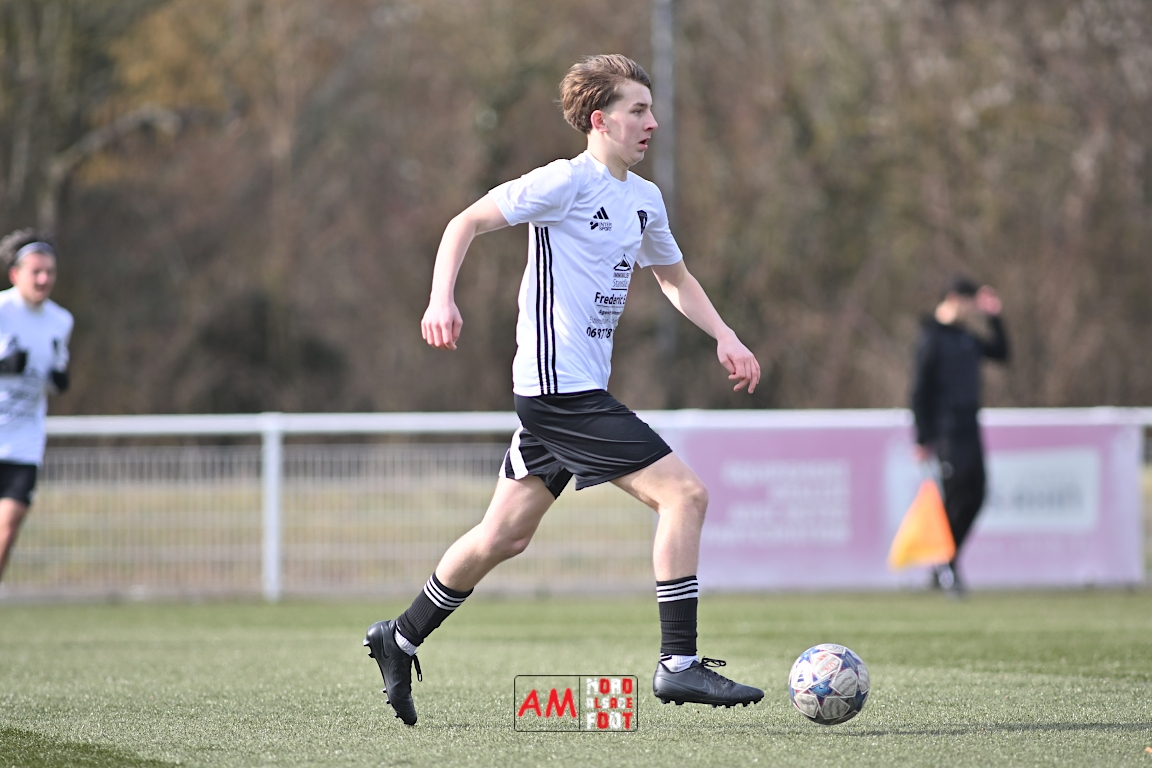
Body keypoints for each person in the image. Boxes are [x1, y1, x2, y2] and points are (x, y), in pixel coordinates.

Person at [364, 54, 764, 726]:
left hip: (568, 390)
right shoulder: (563, 181)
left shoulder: (644, 199)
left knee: (503, 536)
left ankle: (398, 638)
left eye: (651, 109)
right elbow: (464, 222)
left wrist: (725, 335)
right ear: (600, 120)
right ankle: (678, 663)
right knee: (685, 495)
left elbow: (673, 278)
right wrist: (441, 299)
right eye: (638, 110)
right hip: (559, 392)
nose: (652, 122)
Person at [910, 276, 1008, 596]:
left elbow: (1001, 353)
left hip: (970, 427)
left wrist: (995, 317)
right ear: (953, 299)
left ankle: (945, 562)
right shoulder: (932, 337)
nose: (972, 309)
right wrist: (922, 437)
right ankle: (946, 566)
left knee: (977, 493)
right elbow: (919, 390)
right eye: (969, 302)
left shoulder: (967, 338)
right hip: (946, 431)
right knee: (955, 496)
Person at [0, 230, 73, 584]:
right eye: (36, 272)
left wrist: (59, 379)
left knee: (8, 526)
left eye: (50, 272)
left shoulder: (61, 320)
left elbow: (56, 369)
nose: (44, 279)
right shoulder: (1, 311)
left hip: (24, 441)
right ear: (15, 274)